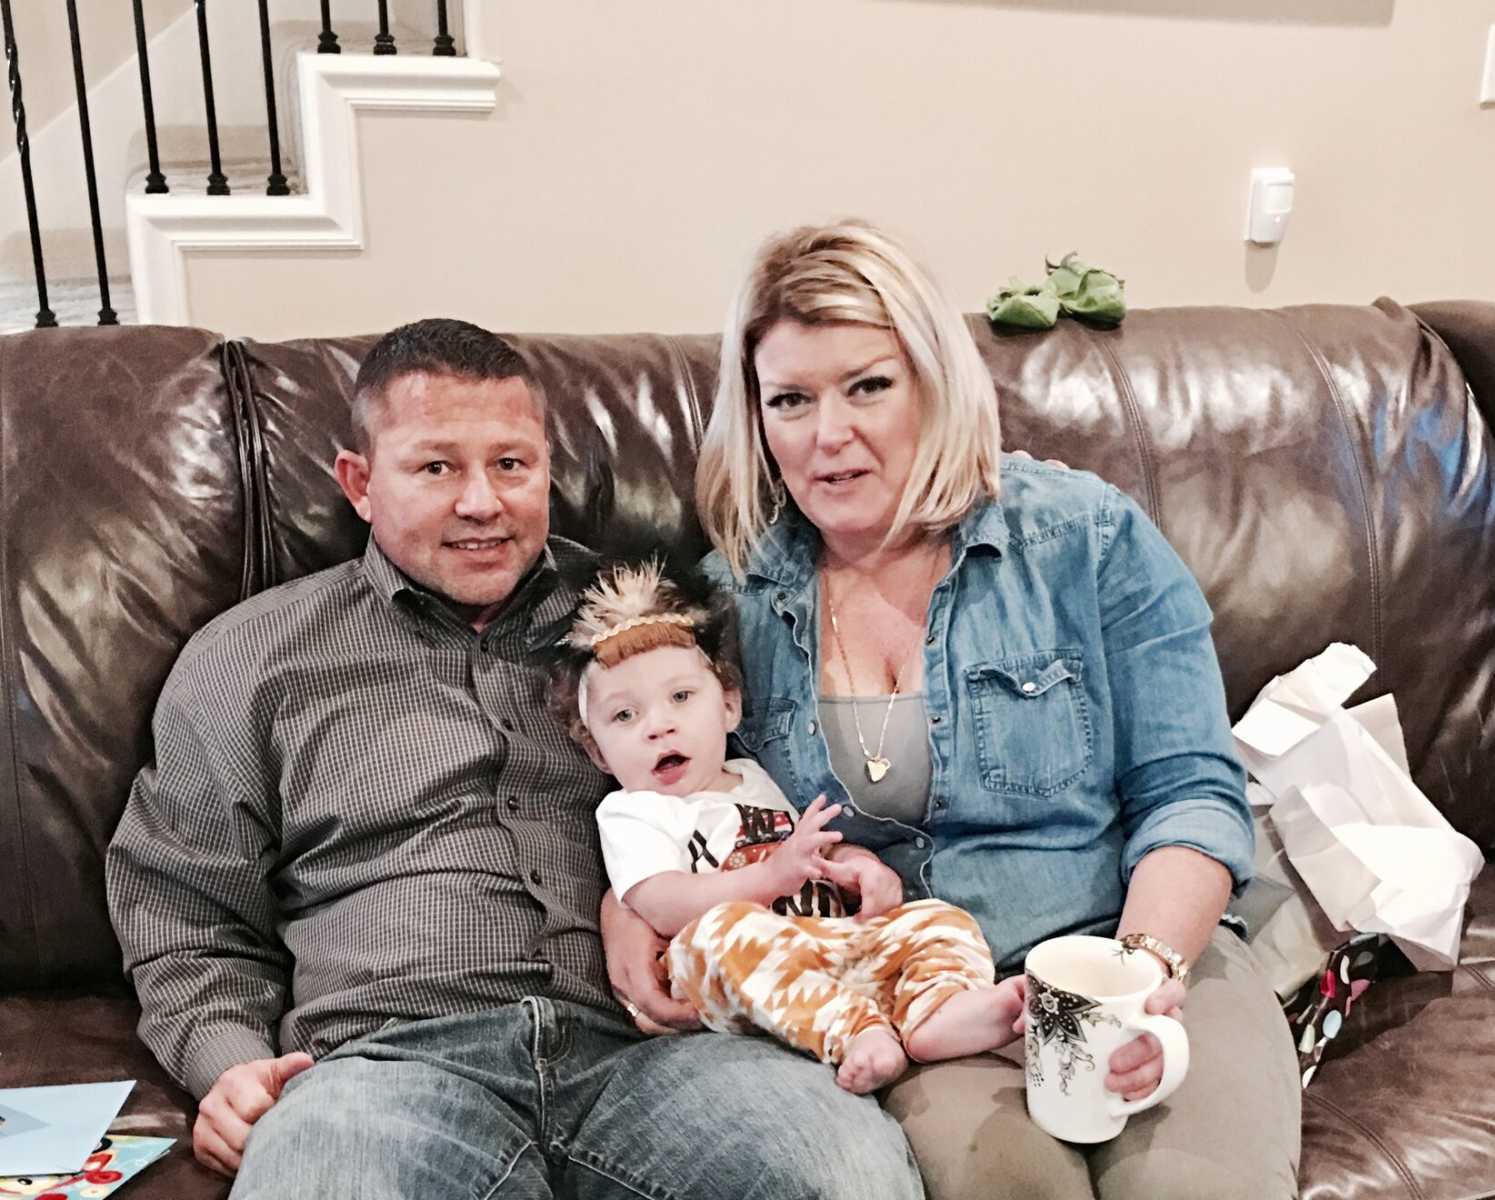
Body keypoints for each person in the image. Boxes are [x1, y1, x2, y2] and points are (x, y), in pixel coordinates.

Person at [104, 318, 924, 1200]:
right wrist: (229, 1063)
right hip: (384, 1070)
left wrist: (760, 885)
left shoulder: (643, 624)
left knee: (842, 1172)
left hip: (660, 1056)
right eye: (435, 467)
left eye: (510, 464)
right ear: (360, 483)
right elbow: (182, 908)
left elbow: (753, 796)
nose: (482, 503)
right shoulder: (252, 656)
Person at [604, 223, 1302, 1200]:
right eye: (791, 401)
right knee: (1007, 1186)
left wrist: (1134, 976)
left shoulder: (1082, 538)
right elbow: (682, 792)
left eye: (868, 386)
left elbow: (1188, 792)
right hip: (930, 1000)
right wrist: (624, 903)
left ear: (934, 384)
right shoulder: (736, 601)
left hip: (1128, 948)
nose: (827, 435)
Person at [545, 557, 1026, 1094]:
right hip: (725, 972)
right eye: (624, 717)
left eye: (681, 697)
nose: (659, 726)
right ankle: (856, 1033)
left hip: (821, 946)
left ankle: (936, 1010)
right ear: (598, 753)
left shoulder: (750, 776)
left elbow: (807, 849)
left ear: (729, 706)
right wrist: (770, 879)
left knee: (939, 917)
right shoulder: (634, 811)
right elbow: (662, 902)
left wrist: (857, 867)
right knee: (728, 932)